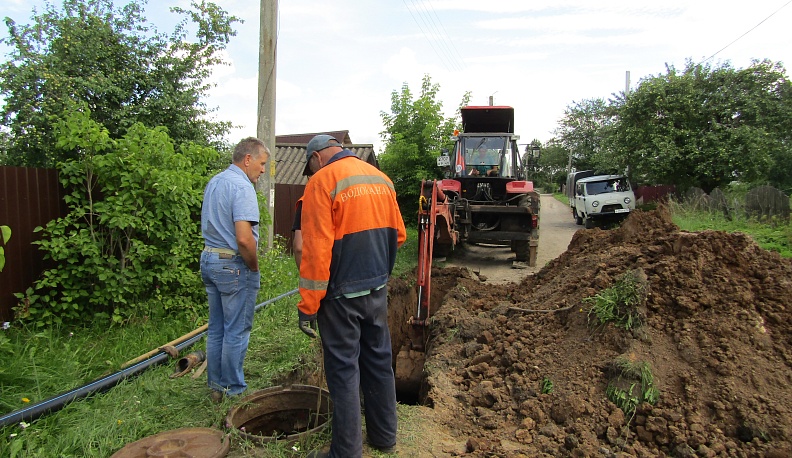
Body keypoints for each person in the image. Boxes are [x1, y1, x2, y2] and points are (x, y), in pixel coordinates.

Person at [297, 134, 407, 458]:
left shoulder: (321, 182)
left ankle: (346, 452)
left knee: (344, 371)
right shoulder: (381, 179)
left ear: (316, 157)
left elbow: (316, 252)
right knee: (378, 362)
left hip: (340, 297)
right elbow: (398, 236)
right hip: (377, 290)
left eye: (310, 166)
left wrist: (308, 307)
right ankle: (385, 436)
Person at [200, 137, 269, 402]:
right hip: (233, 264)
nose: (263, 170)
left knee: (217, 328)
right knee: (236, 330)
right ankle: (234, 391)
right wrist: (253, 266)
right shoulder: (242, 187)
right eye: (261, 163)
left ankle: (216, 386)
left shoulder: (215, 181)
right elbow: (243, 238)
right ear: (248, 159)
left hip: (209, 258)